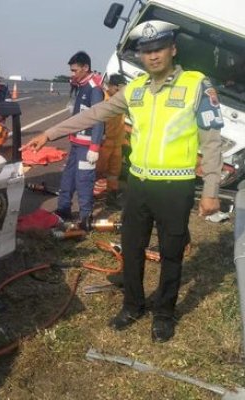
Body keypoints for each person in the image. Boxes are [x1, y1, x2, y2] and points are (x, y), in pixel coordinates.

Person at [21, 20, 223, 342]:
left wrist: (211, 190)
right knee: (132, 248)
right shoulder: (137, 89)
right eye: (146, 51)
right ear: (141, 56)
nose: (153, 56)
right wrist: (49, 133)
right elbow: (94, 114)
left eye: (159, 49)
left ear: (173, 49)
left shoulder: (196, 85)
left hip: (176, 187)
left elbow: (212, 141)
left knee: (171, 253)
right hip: (139, 186)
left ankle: (164, 314)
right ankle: (132, 306)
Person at [51, 51, 105, 228]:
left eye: (75, 70)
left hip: (86, 146)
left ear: (85, 68)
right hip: (76, 143)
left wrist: (94, 147)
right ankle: (63, 209)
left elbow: (98, 118)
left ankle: (85, 217)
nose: (72, 74)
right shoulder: (80, 86)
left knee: (84, 180)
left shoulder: (94, 89)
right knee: (67, 178)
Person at [95, 73, 127, 209]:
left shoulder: (122, 101)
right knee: (97, 171)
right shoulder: (102, 99)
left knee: (114, 172)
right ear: (111, 86)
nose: (119, 92)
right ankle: (89, 198)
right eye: (117, 89)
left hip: (117, 143)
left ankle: (111, 198)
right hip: (104, 143)